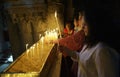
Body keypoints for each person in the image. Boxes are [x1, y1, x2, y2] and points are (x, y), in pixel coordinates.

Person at [57, 4, 120, 77]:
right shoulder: (90, 43)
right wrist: (68, 51)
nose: (82, 27)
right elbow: (81, 58)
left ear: (96, 25)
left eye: (86, 24)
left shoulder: (103, 52)